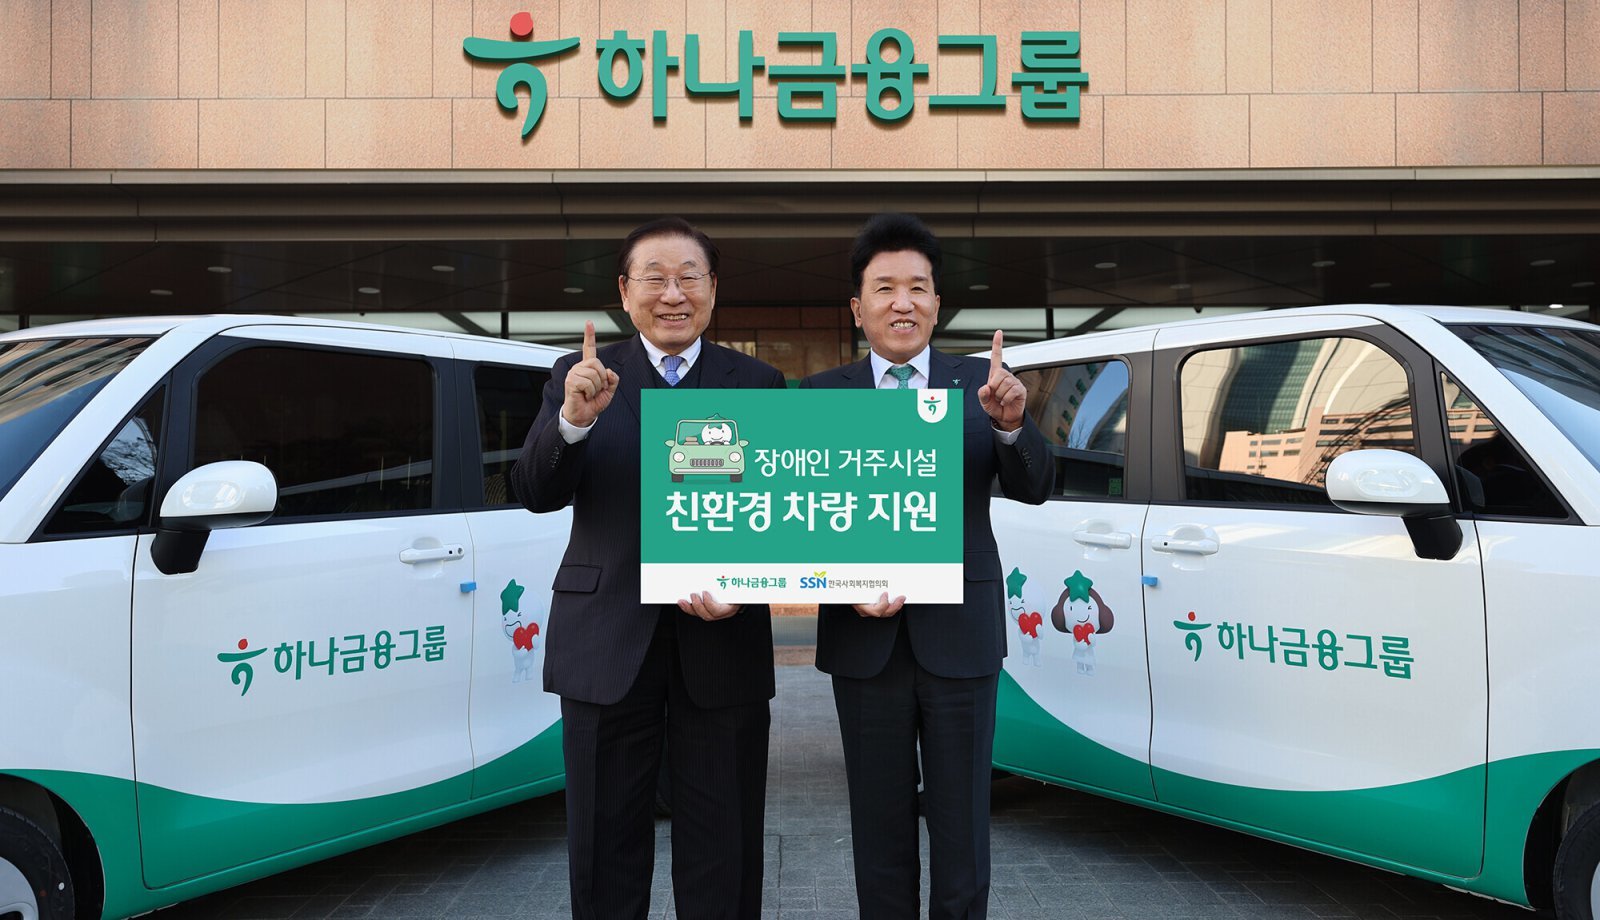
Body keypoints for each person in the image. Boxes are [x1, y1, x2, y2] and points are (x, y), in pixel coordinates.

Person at [510, 217, 786, 920]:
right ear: (625, 292)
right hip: (607, 642)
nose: (673, 293)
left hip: (721, 646)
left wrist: (745, 586)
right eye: (654, 278)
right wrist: (573, 421)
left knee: (724, 848)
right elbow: (536, 492)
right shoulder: (577, 379)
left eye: (689, 276)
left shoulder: (757, 383)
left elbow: (782, 517)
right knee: (604, 849)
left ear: (713, 289)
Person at [800, 212, 1053, 920]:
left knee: (963, 826)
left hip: (960, 638)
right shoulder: (822, 395)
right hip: (865, 645)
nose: (901, 303)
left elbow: (1036, 483)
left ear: (938, 303)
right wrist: (843, 587)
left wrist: (1012, 425)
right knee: (877, 827)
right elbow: (806, 520)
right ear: (858, 308)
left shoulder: (986, 383)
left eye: (917, 288)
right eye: (884, 288)